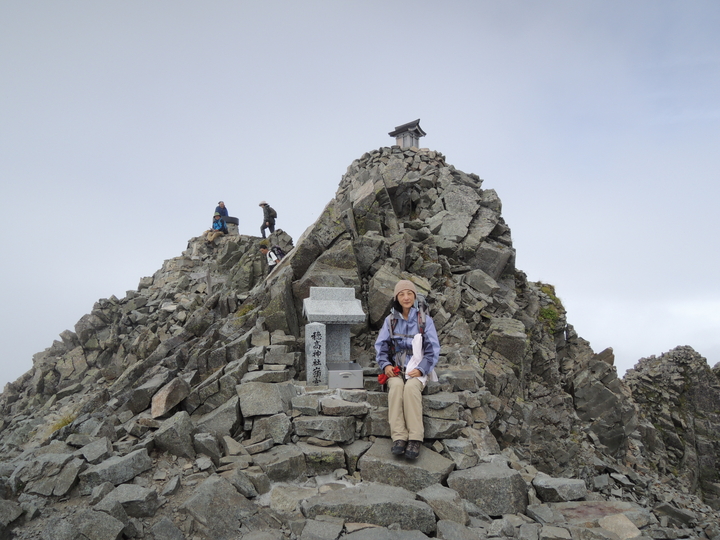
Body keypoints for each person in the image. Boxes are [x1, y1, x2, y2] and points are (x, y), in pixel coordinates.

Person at [374, 280, 440, 459]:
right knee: (396, 387)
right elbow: (381, 346)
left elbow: (432, 350)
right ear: (396, 298)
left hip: (417, 369)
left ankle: (415, 438)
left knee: (411, 388)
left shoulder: (424, 321)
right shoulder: (390, 321)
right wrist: (386, 365)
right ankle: (399, 437)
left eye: (409, 293)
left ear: (415, 296)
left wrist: (421, 369)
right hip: (396, 369)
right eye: (401, 294)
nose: (406, 297)